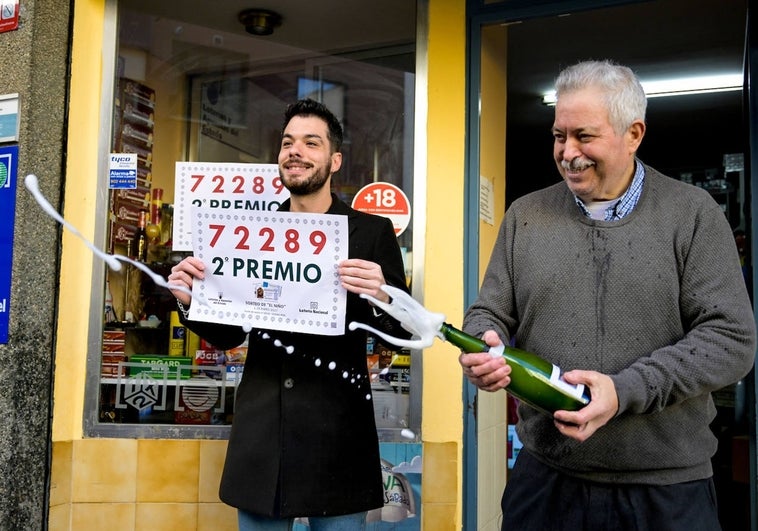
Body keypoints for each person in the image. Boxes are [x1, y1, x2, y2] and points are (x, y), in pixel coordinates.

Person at [459, 60, 756, 530]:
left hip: (665, 492)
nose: (568, 152)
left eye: (584, 136)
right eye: (559, 136)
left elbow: (731, 339)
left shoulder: (692, 215)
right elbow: (489, 310)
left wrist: (625, 391)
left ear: (633, 133)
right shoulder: (525, 216)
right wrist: (485, 342)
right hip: (545, 483)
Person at [168, 99, 409, 531]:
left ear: (334, 160)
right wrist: (190, 299)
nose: (295, 151)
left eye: (310, 143)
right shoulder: (249, 233)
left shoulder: (371, 233)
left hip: (339, 433)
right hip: (265, 433)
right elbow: (225, 336)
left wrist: (385, 296)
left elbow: (397, 335)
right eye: (287, 142)